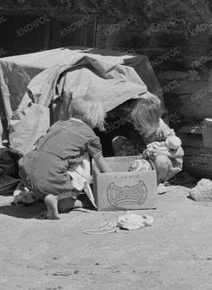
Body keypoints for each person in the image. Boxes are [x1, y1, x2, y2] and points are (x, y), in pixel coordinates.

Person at [16, 91, 109, 219]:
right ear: (94, 117)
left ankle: (48, 196)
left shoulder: (58, 124)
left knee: (53, 161)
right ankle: (66, 199)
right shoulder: (89, 135)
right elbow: (102, 165)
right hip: (52, 174)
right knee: (85, 158)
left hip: (26, 171)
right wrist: (117, 177)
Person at [105, 95, 184, 183]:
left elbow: (180, 152)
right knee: (117, 140)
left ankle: (158, 182)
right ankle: (123, 170)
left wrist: (159, 152)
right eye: (135, 123)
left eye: (139, 125)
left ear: (150, 122)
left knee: (161, 160)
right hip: (145, 155)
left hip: (163, 164)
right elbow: (135, 143)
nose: (135, 127)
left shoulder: (163, 131)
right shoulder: (141, 130)